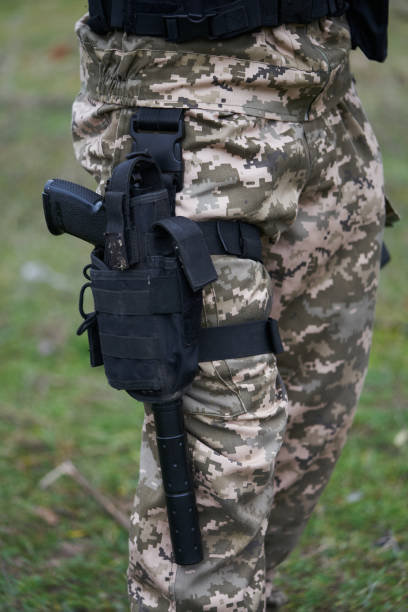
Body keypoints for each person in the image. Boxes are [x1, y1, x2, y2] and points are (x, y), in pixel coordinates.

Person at [70, 1, 389, 609]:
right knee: (220, 420)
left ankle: (244, 591)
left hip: (320, 76)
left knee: (315, 401)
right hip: (182, 90)